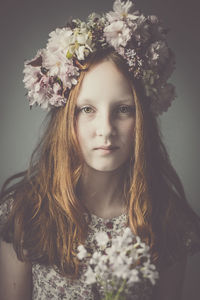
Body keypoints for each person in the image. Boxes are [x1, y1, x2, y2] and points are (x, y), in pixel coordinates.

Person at [0, 0, 200, 299]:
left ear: (142, 117)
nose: (105, 129)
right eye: (87, 109)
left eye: (122, 109)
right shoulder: (26, 213)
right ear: (66, 117)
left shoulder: (168, 221)